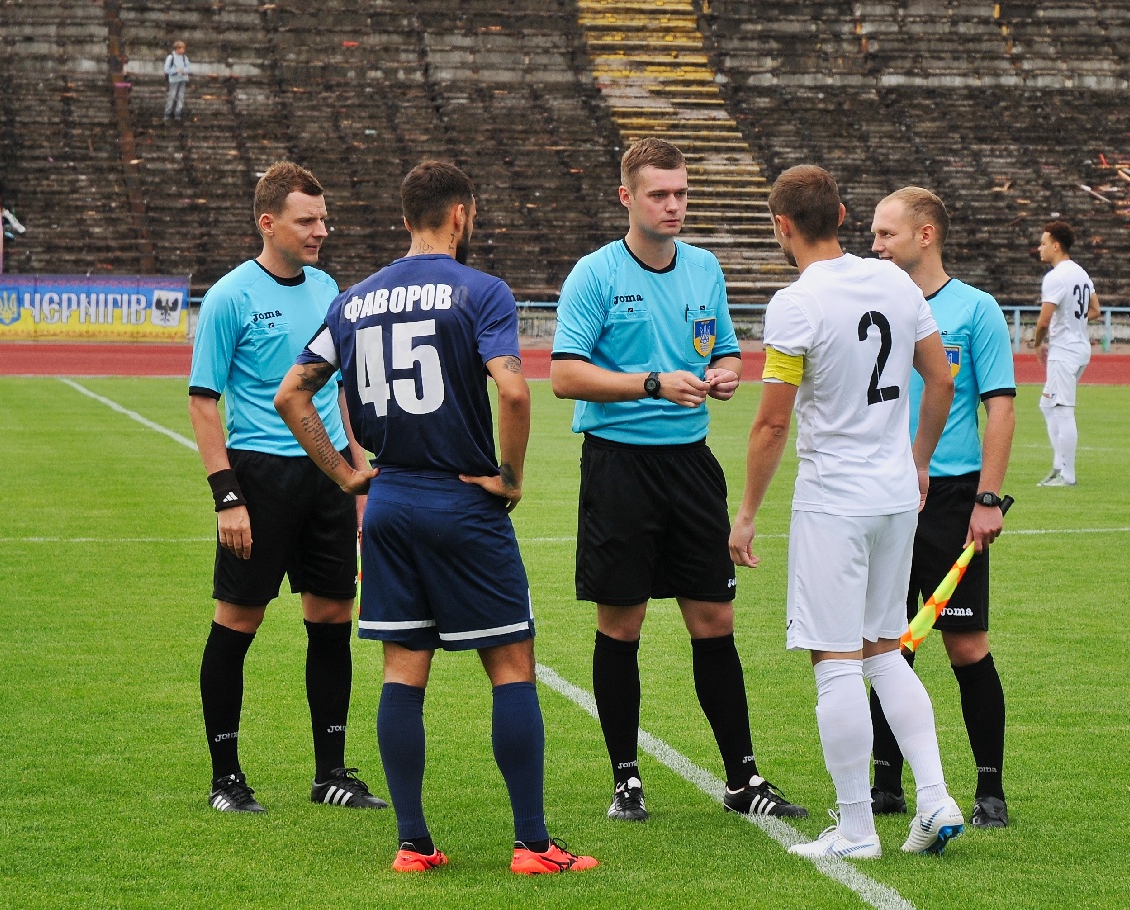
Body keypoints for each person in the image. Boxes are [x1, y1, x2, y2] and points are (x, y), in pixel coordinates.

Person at [274, 160, 597, 876]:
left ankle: (413, 845)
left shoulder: (353, 301)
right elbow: (514, 392)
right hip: (462, 501)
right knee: (511, 665)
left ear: (404, 218)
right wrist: (510, 479)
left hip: (389, 502)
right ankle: (532, 844)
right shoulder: (481, 291)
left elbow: (291, 394)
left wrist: (348, 475)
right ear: (460, 215)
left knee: (402, 671)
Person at [550, 137, 806, 823]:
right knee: (622, 622)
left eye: (681, 193)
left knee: (714, 618)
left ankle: (743, 779)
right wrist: (652, 383)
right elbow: (564, 374)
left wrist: (724, 374)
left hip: (690, 465)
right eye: (659, 194)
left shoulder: (703, 267)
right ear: (626, 197)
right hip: (618, 466)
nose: (673, 205)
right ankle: (625, 779)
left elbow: (725, 349)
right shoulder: (595, 274)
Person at [729, 165, 960, 859]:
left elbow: (772, 423)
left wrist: (746, 513)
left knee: (835, 662)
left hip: (835, 501)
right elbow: (940, 377)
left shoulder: (795, 303)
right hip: (894, 496)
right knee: (885, 650)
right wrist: (918, 461)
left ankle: (857, 828)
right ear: (841, 215)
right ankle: (936, 797)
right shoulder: (894, 280)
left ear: (782, 226)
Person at [189, 161, 385, 814]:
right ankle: (226, 778)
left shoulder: (328, 288)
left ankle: (331, 774)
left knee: (331, 620)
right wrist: (227, 495)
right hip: (259, 477)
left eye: (323, 219)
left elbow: (339, 391)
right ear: (268, 223)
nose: (321, 230)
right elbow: (203, 400)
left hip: (326, 478)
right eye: (308, 220)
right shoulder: (230, 297)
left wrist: (356, 477)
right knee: (237, 622)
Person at [867, 187, 1016, 828]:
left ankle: (989, 789)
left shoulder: (976, 309)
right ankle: (886, 784)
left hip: (953, 499)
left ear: (924, 235)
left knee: (965, 645)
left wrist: (987, 499)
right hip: (883, 493)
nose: (875, 245)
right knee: (886, 645)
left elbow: (1001, 408)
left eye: (886, 234)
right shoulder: (874, 304)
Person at [1031, 220, 1100, 487]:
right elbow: (1095, 310)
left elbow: (1044, 320)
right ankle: (1059, 465)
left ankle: (1067, 475)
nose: (1040, 248)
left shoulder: (1055, 277)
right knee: (1047, 404)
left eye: (1043, 243)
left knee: (1062, 409)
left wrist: (1037, 343)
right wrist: (1073, 321)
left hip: (1064, 352)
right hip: (1080, 348)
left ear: (1056, 246)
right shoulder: (1081, 273)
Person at [164, 40, 190, 121]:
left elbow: (188, 68)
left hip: (183, 79)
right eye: (182, 48)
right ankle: (167, 113)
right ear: (177, 49)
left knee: (181, 96)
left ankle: (178, 113)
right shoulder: (170, 57)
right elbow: (166, 70)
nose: (183, 50)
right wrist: (175, 71)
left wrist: (185, 71)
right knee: (172, 96)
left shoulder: (184, 58)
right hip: (174, 80)